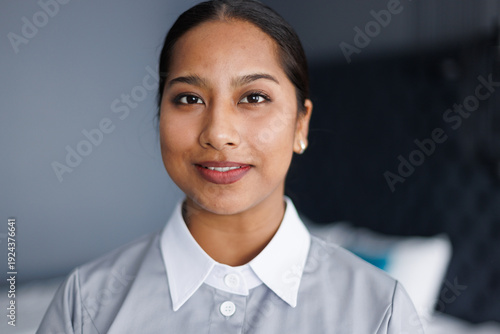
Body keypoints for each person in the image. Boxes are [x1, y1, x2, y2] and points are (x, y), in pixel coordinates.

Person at [37, 0, 424, 333]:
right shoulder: (85, 304)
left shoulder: (380, 311)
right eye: (189, 99)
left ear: (300, 125)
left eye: (254, 97)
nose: (218, 133)